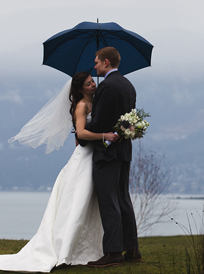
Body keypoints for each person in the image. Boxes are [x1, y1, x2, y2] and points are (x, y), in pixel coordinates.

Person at [0, 72, 114, 272]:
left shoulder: (97, 103)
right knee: (77, 201)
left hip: (95, 156)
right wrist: (105, 135)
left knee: (90, 203)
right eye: (89, 84)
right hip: (84, 158)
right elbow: (81, 133)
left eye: (92, 82)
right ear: (80, 89)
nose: (93, 85)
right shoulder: (81, 106)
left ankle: (89, 247)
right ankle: (65, 249)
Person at [79, 46, 140, 268]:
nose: (94, 66)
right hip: (124, 151)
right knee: (123, 197)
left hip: (107, 152)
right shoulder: (128, 86)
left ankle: (114, 252)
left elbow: (100, 122)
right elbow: (129, 121)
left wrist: (82, 135)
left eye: (96, 62)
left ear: (106, 62)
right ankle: (132, 249)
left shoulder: (107, 87)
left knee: (108, 200)